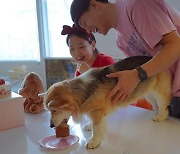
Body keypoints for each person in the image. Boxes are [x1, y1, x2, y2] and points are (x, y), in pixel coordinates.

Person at [70, 0, 180, 117]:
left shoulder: (137, 5)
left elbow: (176, 44)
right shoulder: (121, 41)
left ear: (94, 5)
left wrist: (137, 74)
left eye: (84, 23)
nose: (87, 30)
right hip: (170, 94)